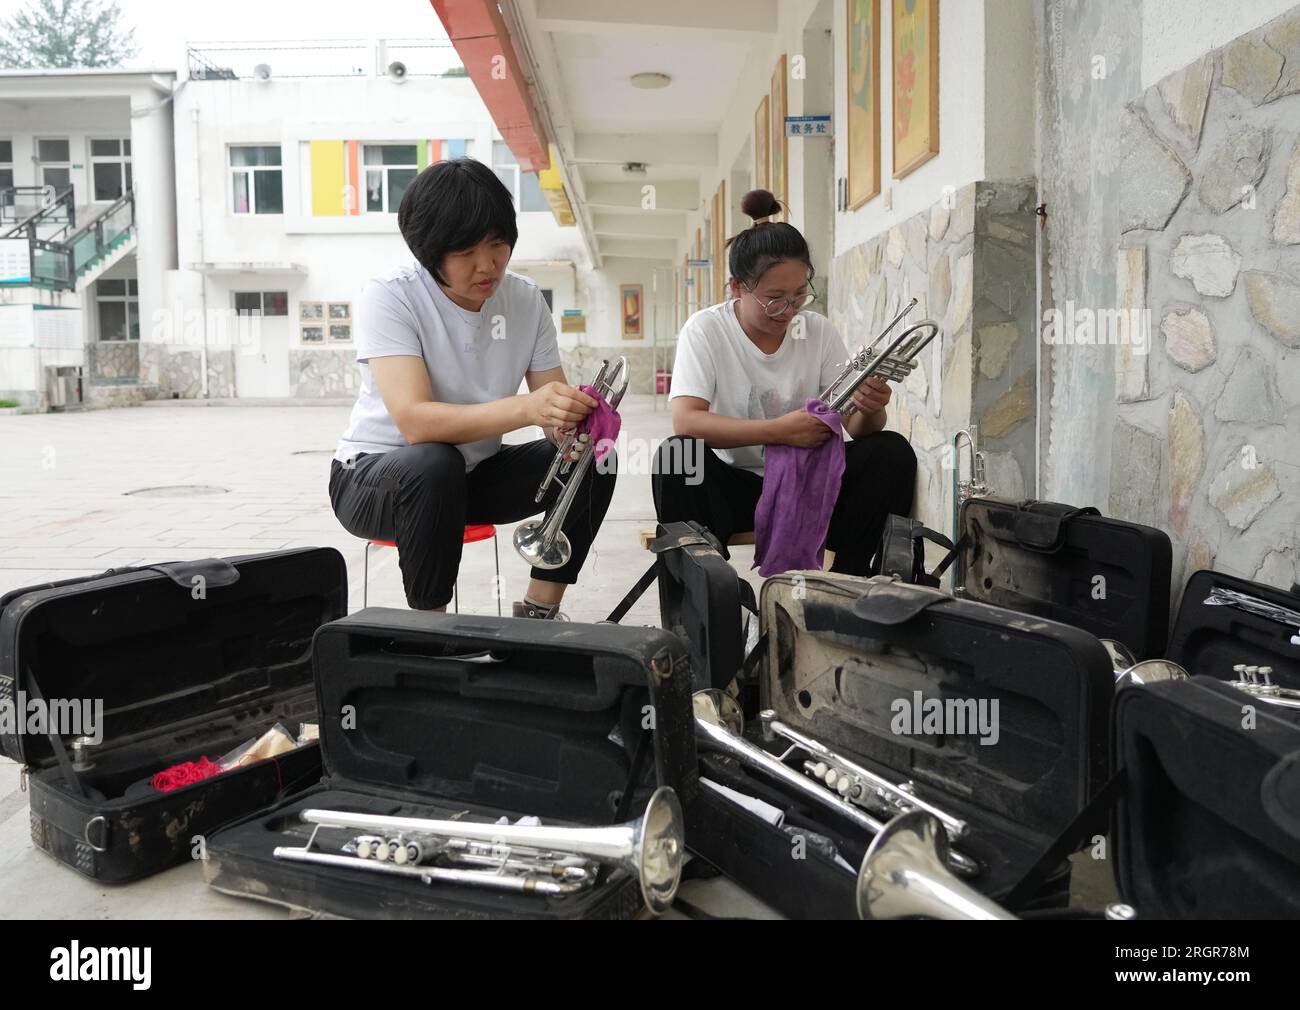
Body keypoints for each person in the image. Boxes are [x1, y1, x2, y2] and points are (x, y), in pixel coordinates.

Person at [328, 158, 615, 619]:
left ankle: (539, 613)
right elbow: (416, 423)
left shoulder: (525, 299)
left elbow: (552, 418)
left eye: (498, 244)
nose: (488, 265)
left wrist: (572, 424)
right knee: (434, 460)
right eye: (466, 252)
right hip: (374, 480)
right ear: (429, 252)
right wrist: (529, 408)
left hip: (469, 479)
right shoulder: (391, 296)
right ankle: (432, 630)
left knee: (593, 459)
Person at [652, 188, 916, 575]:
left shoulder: (817, 331)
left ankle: (849, 584)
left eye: (799, 295)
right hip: (738, 488)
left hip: (812, 483)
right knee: (676, 457)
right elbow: (687, 421)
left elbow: (858, 428)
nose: (789, 310)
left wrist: (870, 406)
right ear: (737, 287)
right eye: (774, 298)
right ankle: (704, 593)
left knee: (891, 452)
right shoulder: (707, 329)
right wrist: (780, 431)